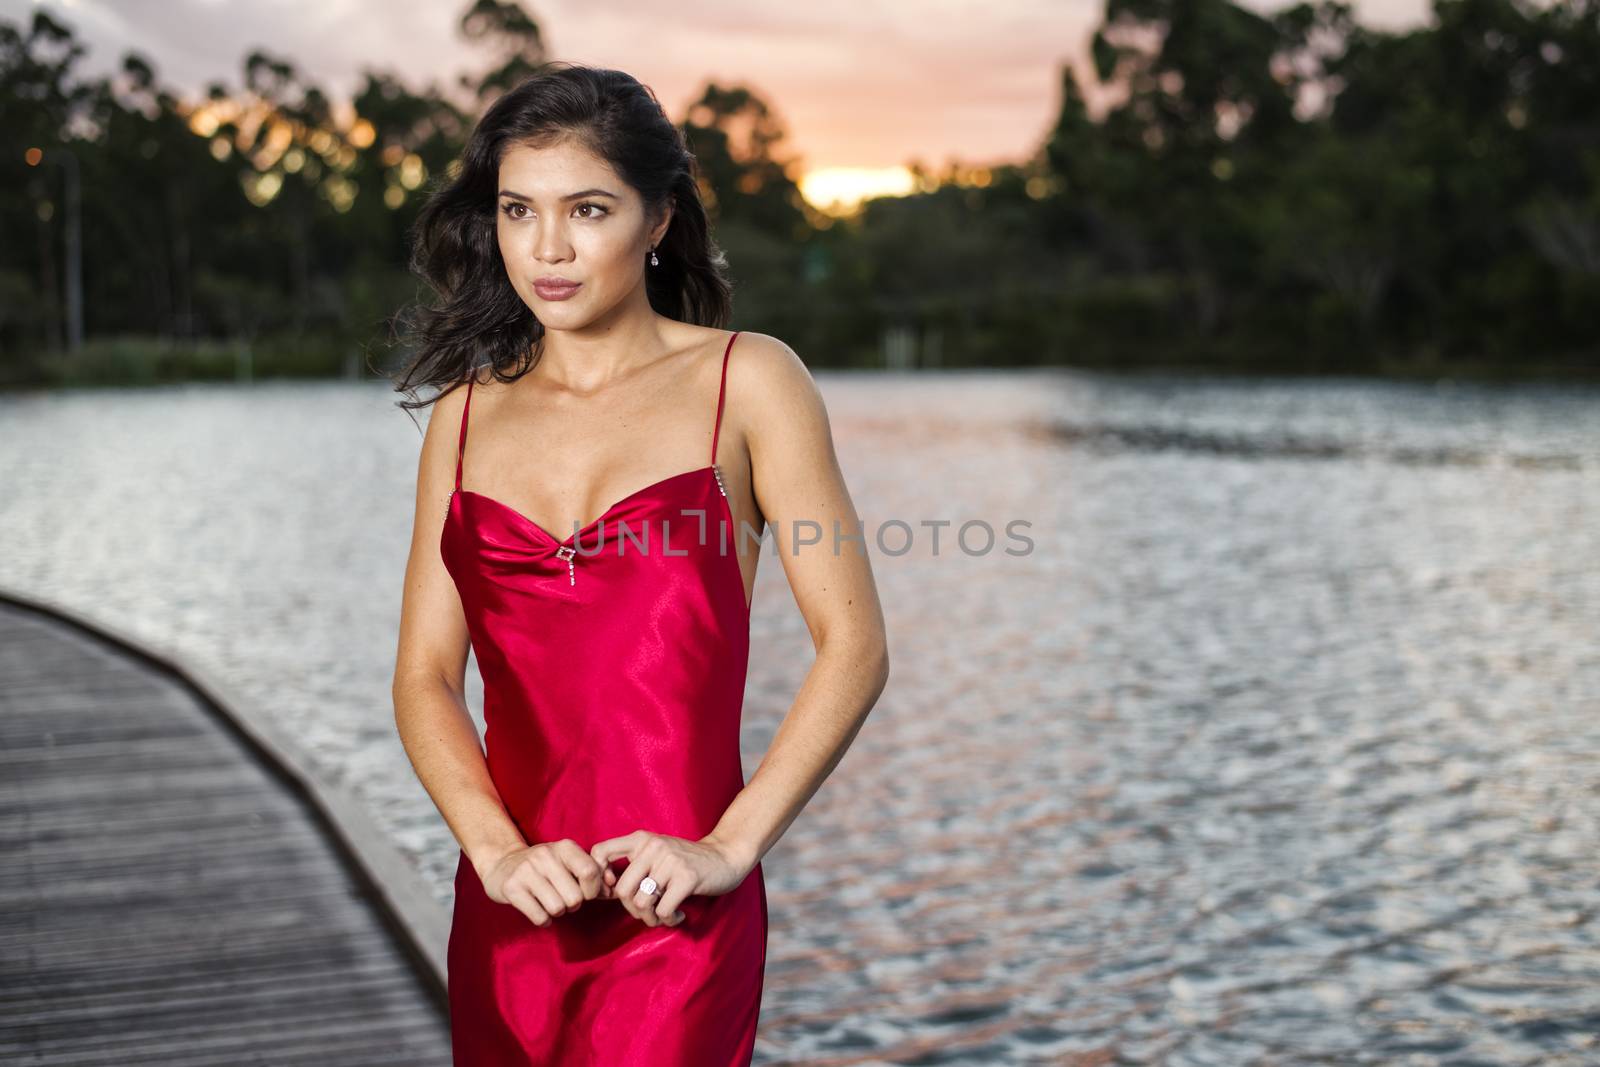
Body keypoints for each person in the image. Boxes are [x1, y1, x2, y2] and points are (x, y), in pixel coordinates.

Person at [389, 63, 890, 1066]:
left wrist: (729, 847)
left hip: (679, 908)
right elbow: (424, 676)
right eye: (519, 211)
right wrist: (493, 851)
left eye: (588, 209)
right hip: (512, 906)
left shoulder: (748, 382)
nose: (550, 248)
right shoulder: (465, 413)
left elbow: (855, 646)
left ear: (658, 219)